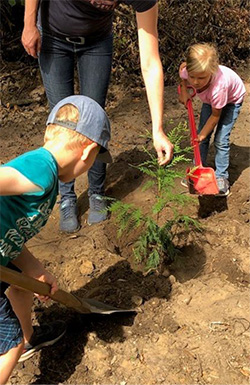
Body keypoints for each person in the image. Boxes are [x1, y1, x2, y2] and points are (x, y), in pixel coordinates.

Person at [21, 0, 174, 232]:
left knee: (94, 120)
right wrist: (29, 23)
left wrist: (158, 129)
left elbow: (151, 63)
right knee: (62, 121)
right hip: (53, 37)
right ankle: (67, 197)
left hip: (96, 43)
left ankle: (96, 192)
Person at [0, 95, 112, 384]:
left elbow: (12, 236)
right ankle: (18, 344)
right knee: (7, 348)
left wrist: (35, 270)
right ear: (88, 154)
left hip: (3, 257)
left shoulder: (46, 178)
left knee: (20, 285)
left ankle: (30, 338)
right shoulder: (41, 169)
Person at [178, 43, 246, 196]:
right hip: (211, 101)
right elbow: (182, 69)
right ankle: (197, 169)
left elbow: (216, 116)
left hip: (231, 100)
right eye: (192, 76)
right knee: (200, 138)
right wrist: (184, 90)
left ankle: (222, 177)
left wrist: (201, 135)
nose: (195, 82)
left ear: (212, 71)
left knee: (220, 139)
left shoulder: (218, 88)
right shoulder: (186, 71)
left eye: (201, 78)